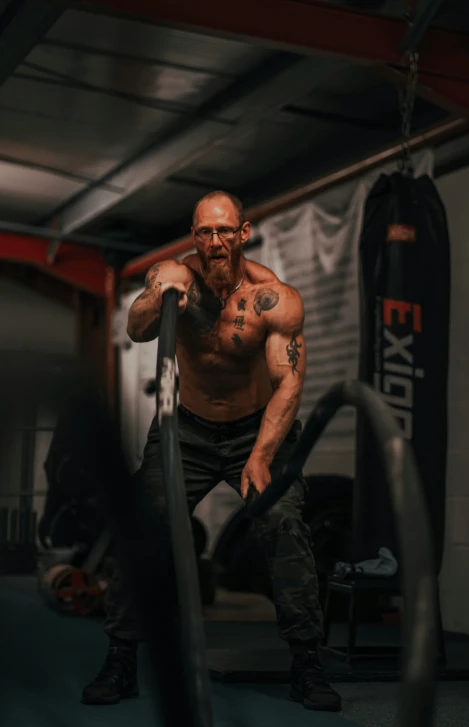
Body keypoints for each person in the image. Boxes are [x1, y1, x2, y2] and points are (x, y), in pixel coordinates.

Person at [81, 191, 342, 712]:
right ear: (194, 236)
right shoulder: (173, 277)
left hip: (256, 431)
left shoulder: (273, 298)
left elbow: (288, 386)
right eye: (205, 232)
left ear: (244, 233)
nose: (215, 242)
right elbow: (136, 328)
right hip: (186, 431)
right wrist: (161, 297)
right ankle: (121, 658)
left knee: (285, 526)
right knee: (144, 527)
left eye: (225, 231)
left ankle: (307, 663)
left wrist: (263, 456)